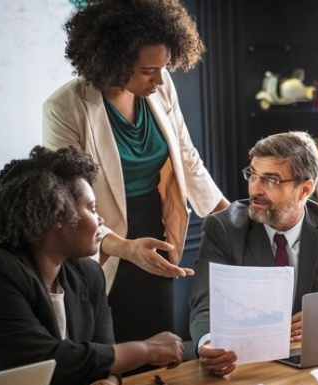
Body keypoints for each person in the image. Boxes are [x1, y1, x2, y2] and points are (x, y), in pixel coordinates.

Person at [43, 0, 229, 345]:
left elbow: (187, 158)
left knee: (157, 339)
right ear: (113, 61)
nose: (160, 79)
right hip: (98, 237)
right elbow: (66, 202)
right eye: (147, 71)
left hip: (154, 228)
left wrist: (231, 217)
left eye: (164, 66)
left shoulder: (161, 85)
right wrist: (123, 247)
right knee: (110, 344)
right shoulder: (65, 107)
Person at [0, 146, 184, 385]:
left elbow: (102, 352)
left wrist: (106, 383)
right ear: (56, 216)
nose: (100, 220)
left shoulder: (88, 274)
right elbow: (45, 363)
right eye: (91, 207)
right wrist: (145, 350)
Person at [188, 131, 318, 377]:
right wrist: (208, 344)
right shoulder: (224, 228)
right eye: (252, 175)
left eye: (271, 180)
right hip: (249, 368)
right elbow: (205, 303)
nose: (256, 189)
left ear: (305, 189)